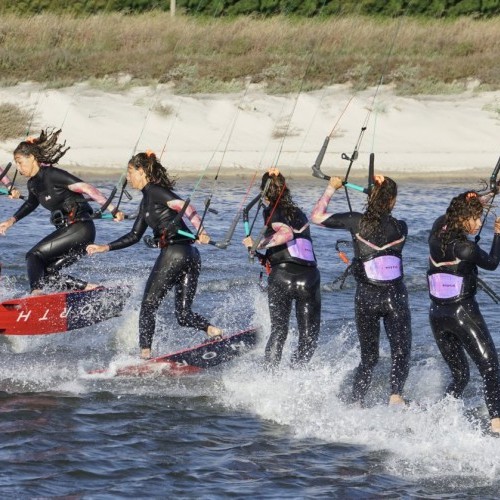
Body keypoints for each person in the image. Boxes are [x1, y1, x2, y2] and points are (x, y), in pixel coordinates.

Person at [87, 151, 222, 359]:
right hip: (190, 255)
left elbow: (183, 206)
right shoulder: (146, 202)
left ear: (142, 172)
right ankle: (213, 331)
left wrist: (201, 230)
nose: (128, 177)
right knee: (183, 315)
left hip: (175, 253)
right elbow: (134, 235)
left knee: (148, 305)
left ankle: (145, 356)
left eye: (130, 172)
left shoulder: (156, 191)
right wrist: (105, 247)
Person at [311, 174, 411, 406]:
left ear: (371, 197)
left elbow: (316, 217)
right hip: (395, 296)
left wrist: (331, 188)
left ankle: (356, 402)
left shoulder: (355, 221)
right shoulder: (402, 227)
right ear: (393, 201)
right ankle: (395, 395)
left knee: (369, 358)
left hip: (366, 297)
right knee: (400, 351)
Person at [0, 129, 122, 294]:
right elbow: (31, 203)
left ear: (32, 158)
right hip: (69, 232)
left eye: (20, 162)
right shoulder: (32, 184)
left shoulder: (52, 174)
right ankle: (92, 289)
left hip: (79, 228)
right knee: (47, 273)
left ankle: (36, 293)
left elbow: (86, 188)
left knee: (33, 256)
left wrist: (113, 209)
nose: (19, 168)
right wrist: (10, 221)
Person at [428, 190, 500, 434]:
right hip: (463, 313)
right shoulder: (466, 249)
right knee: (490, 367)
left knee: (460, 375)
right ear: (463, 218)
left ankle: (438, 420)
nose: (479, 223)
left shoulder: (436, 232)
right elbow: (492, 262)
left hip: (437, 316)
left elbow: (451, 213)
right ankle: (497, 424)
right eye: (476, 218)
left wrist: (479, 198)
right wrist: (498, 234)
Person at [242, 168, 321, 369]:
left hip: (282, 276)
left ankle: (271, 380)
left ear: (264, 191)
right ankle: (296, 374)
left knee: (279, 331)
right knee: (308, 336)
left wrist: (257, 244)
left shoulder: (271, 210)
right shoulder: (299, 213)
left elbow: (286, 234)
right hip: (308, 278)